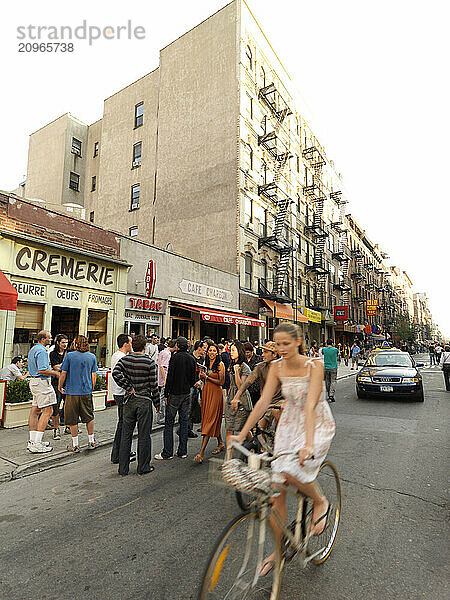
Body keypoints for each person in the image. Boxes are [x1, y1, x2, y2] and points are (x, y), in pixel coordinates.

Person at [229, 322, 335, 575]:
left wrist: (308, 443)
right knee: (276, 489)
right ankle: (277, 550)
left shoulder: (315, 366)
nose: (281, 349)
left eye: (286, 344)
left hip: (315, 423)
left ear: (298, 342)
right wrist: (241, 435)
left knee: (290, 471)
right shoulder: (276, 367)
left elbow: (310, 404)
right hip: (289, 424)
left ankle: (320, 501)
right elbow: (264, 400)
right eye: (277, 344)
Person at [112, 334, 159, 475]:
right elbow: (154, 385)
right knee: (144, 435)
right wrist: (157, 403)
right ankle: (143, 466)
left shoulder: (125, 359)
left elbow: (115, 373)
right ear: (144, 347)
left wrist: (128, 387)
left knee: (126, 434)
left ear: (134, 346)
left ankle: (123, 468)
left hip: (129, 400)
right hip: (144, 400)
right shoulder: (149, 362)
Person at [155, 336, 196, 460]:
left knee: (169, 423)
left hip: (174, 394)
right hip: (185, 393)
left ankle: (167, 452)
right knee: (183, 422)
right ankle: (182, 451)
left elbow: (170, 377)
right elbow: (193, 378)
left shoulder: (174, 358)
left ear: (177, 345)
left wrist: (166, 394)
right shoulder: (191, 359)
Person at [59, 335, 98, 453]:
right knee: (89, 416)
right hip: (86, 391)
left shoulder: (70, 356)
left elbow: (63, 373)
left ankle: (75, 444)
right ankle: (91, 441)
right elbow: (94, 376)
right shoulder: (92, 357)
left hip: (72, 392)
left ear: (76, 344)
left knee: (72, 418)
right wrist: (91, 388)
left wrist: (60, 386)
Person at [232, 341, 282, 430]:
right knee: (259, 427)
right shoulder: (260, 367)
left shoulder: (284, 366)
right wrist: (236, 397)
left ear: (274, 354)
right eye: (263, 352)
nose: (262, 355)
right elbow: (248, 382)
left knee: (279, 424)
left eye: (266, 352)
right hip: (267, 403)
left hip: (281, 403)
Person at [27, 330, 58, 453]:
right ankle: (37, 443)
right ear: (42, 339)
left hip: (34, 382)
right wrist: (55, 372)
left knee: (35, 410)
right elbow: (43, 370)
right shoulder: (42, 351)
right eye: (49, 338)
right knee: (48, 410)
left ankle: (33, 440)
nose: (50, 340)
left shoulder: (34, 349)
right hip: (42, 383)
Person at [193, 342, 225, 464]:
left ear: (217, 352)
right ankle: (221, 443)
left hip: (216, 394)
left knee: (209, 421)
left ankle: (201, 453)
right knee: (211, 419)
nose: (211, 353)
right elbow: (204, 378)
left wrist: (207, 377)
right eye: (210, 350)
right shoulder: (206, 363)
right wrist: (201, 377)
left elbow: (221, 382)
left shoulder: (220, 364)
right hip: (206, 393)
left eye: (214, 351)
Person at [110, 334, 134, 464]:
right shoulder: (121, 357)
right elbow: (119, 375)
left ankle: (121, 452)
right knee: (123, 424)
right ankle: (119, 454)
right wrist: (129, 388)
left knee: (123, 423)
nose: (132, 345)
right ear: (125, 344)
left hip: (118, 392)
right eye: (130, 343)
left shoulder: (116, 355)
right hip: (122, 393)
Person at [225, 341, 251, 448]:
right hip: (231, 398)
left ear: (239, 352)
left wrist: (236, 372)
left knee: (244, 429)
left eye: (233, 350)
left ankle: (257, 446)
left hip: (242, 399)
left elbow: (241, 387)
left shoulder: (245, 367)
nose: (231, 353)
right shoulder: (231, 365)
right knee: (229, 427)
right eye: (230, 350)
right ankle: (228, 458)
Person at [49, 335, 68, 440]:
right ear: (58, 343)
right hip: (56, 383)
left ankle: (68, 426)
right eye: (63, 342)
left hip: (67, 382)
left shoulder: (69, 353)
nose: (65, 345)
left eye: (66, 342)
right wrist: (65, 365)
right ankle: (56, 429)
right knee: (55, 406)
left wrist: (62, 366)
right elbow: (55, 367)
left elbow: (62, 367)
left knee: (68, 405)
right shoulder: (53, 354)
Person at [156, 340, 175, 425]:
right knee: (163, 399)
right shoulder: (167, 354)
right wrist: (165, 380)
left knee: (162, 398)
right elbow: (162, 367)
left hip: (161, 380)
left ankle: (161, 416)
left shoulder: (163, 352)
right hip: (164, 380)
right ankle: (161, 417)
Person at [243, 342, 263, 407]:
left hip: (256, 389)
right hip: (246, 388)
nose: (246, 354)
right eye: (245, 352)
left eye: (248, 352)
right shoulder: (243, 361)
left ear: (252, 351)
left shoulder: (259, 359)